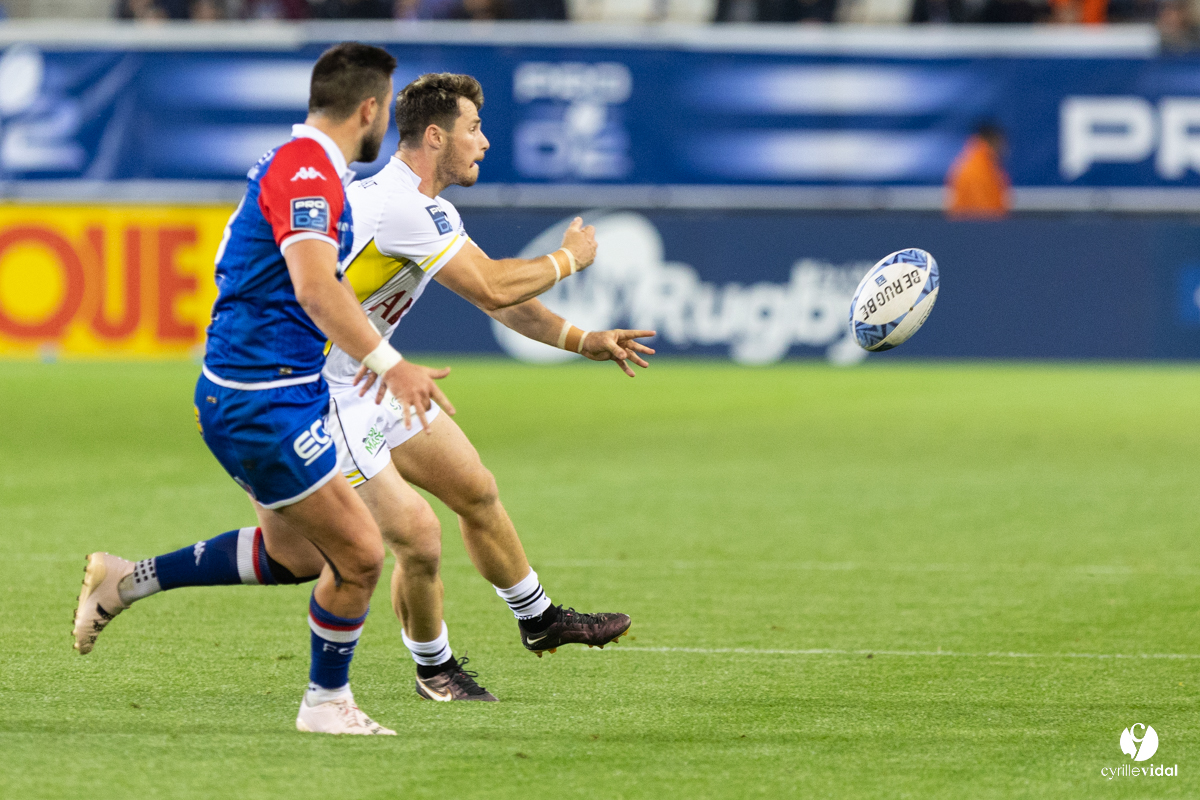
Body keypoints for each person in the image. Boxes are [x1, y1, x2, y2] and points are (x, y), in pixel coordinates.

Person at [72, 42, 454, 736]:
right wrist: (389, 362)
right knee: (362, 555)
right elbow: (314, 286)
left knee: (297, 557)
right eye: (387, 106)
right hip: (260, 397)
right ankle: (326, 704)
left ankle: (125, 579)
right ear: (368, 109)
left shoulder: (311, 167)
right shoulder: (309, 169)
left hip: (276, 391)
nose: (388, 120)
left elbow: (317, 284)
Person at [945, 123, 1010, 220]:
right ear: (993, 140)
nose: (1005, 147)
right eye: (1001, 141)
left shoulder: (984, 165)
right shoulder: (978, 169)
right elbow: (982, 213)